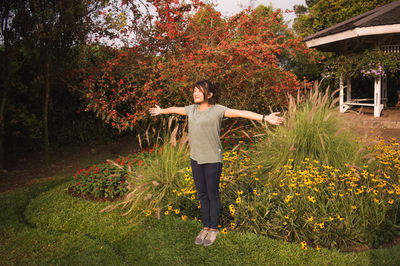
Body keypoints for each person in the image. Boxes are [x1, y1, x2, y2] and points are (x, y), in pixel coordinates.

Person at [149, 80, 284, 247]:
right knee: (202, 194)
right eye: (194, 91)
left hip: (212, 159)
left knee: (212, 195)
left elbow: (241, 112)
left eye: (199, 91)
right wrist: (162, 110)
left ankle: (214, 229)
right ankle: (205, 227)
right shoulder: (191, 110)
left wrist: (265, 118)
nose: (195, 94)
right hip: (195, 158)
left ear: (210, 94)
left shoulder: (218, 110)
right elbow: (175, 109)